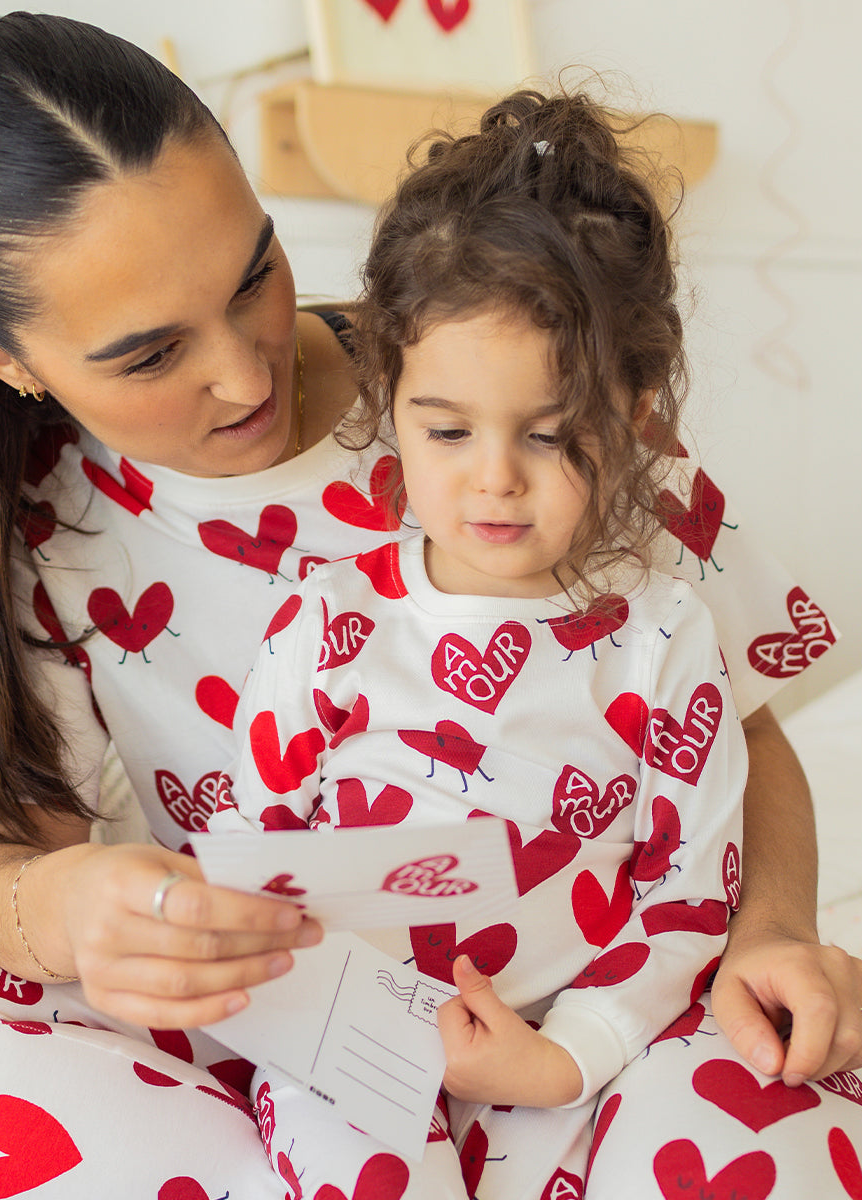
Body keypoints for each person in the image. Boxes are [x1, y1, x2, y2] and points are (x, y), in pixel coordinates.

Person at [0, 12, 862, 1199]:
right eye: (149, 355)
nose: (246, 373)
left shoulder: (508, 372)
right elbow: (0, 866)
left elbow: (741, 734)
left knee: (771, 1088)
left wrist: (768, 937)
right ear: (2, 357)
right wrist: (72, 909)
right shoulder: (41, 532)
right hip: (300, 1041)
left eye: (253, 272)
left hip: (614, 1009)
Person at [206, 88, 749, 1198]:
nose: (494, 477)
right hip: (349, 1042)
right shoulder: (329, 621)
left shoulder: (661, 634)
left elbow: (692, 890)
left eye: (553, 436)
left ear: (637, 410)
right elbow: (253, 852)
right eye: (446, 431)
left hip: (583, 1046)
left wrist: (569, 1056)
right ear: (389, 396)